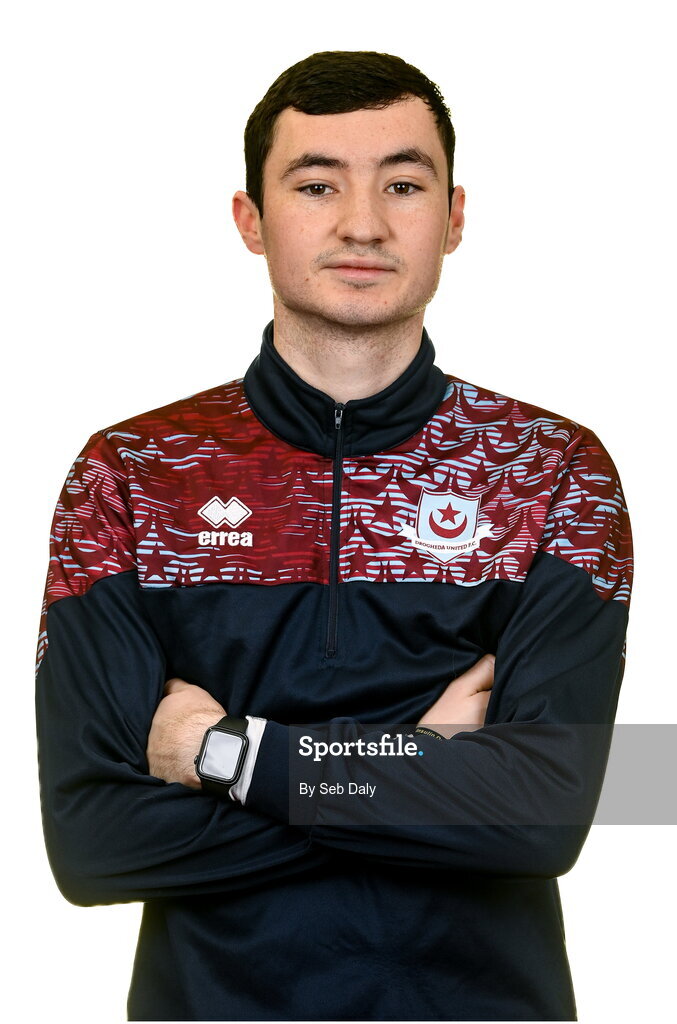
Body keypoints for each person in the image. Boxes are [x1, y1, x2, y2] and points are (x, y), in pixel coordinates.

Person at [35, 50, 633, 1022]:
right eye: (316, 184)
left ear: (454, 216)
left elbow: (548, 816)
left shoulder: (554, 470)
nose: (362, 222)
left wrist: (229, 754)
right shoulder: (131, 473)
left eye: (402, 183)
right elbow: (93, 841)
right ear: (250, 219)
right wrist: (420, 761)